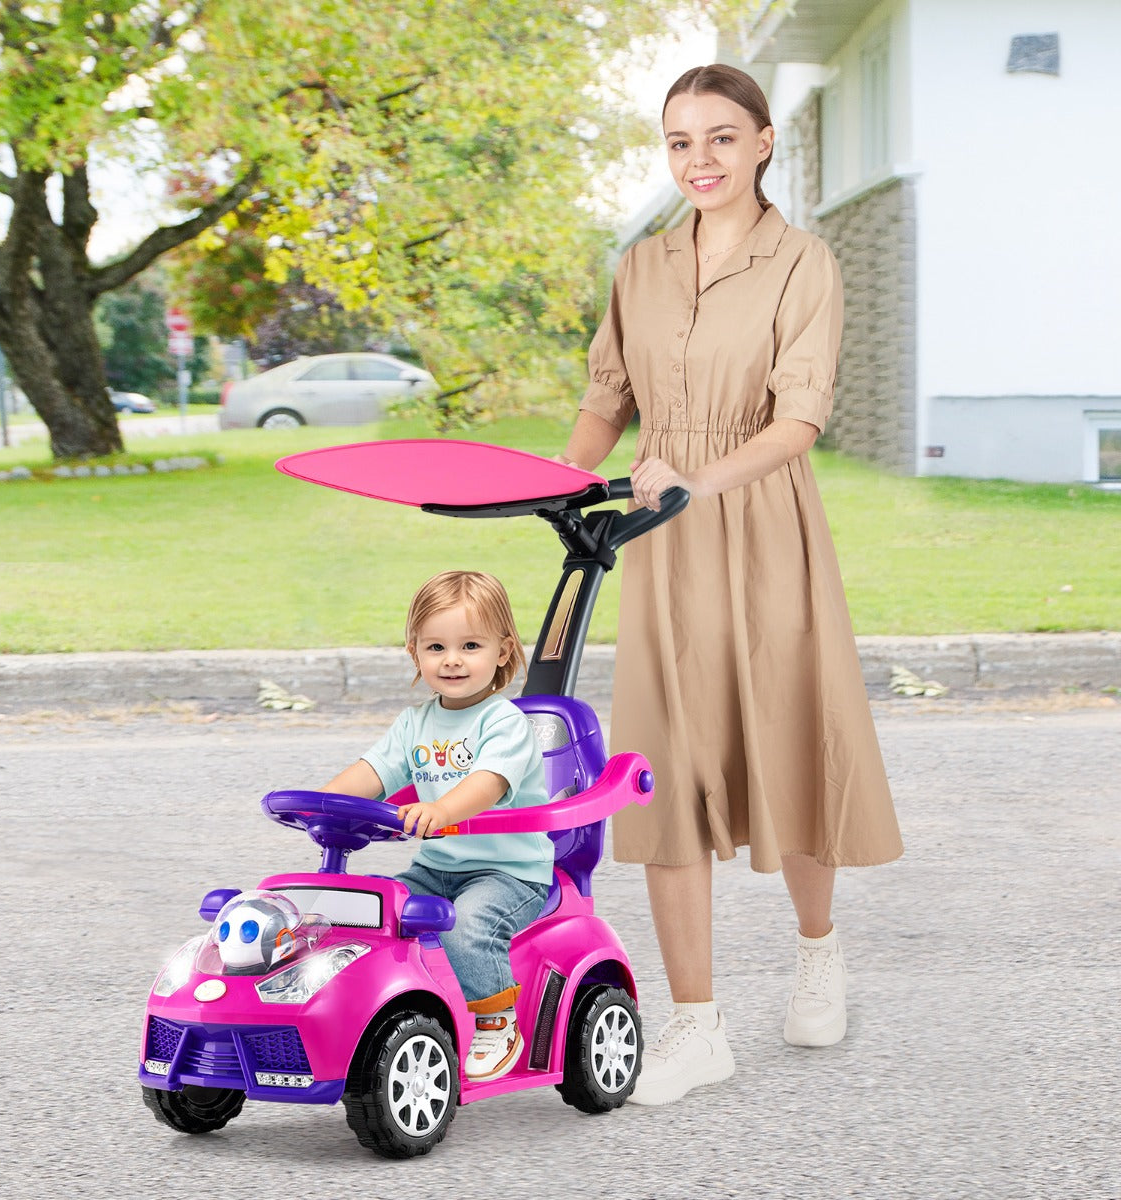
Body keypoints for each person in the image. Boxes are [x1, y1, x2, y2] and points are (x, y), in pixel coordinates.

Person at [557, 64, 904, 1106]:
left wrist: (695, 482)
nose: (697, 159)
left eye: (718, 137)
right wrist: (558, 492)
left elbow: (799, 421)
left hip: (761, 524)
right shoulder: (642, 265)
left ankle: (818, 953)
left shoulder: (803, 263)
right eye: (677, 141)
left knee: (788, 740)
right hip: (658, 538)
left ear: (761, 143)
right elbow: (606, 396)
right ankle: (697, 1025)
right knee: (662, 768)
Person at [320, 569, 552, 1082]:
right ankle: (379, 1016)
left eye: (470, 644)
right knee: (366, 913)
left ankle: (497, 1024)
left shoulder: (505, 722)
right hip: (436, 868)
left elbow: (489, 783)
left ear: (503, 651)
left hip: (510, 873)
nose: (452, 659)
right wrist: (324, 801)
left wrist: (443, 810)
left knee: (469, 924)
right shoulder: (415, 724)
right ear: (415, 653)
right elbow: (374, 773)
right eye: (436, 646)